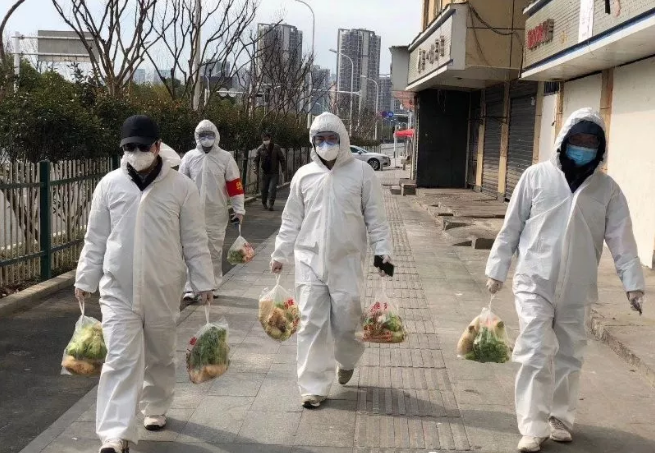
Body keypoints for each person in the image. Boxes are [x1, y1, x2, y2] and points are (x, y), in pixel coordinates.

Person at [484, 108, 645, 453]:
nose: (583, 146)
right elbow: (512, 226)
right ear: (565, 140)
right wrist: (497, 269)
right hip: (534, 281)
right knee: (534, 349)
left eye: (591, 141)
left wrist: (633, 283)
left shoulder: (607, 190)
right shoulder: (536, 177)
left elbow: (622, 239)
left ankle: (559, 418)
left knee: (570, 354)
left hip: (577, 286)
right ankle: (532, 425)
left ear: (600, 147)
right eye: (578, 139)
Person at [74, 115, 215, 453]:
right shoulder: (109, 185)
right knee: (119, 360)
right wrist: (85, 278)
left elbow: (195, 239)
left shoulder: (181, 187)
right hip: (117, 290)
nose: (135, 153)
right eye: (129, 147)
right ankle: (115, 433)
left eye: (141, 147)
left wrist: (203, 281)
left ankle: (155, 406)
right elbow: (96, 238)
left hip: (163, 287)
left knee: (160, 355)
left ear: (157, 146)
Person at [270, 113, 393, 408]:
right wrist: (280, 253)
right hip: (309, 260)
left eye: (331, 138)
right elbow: (291, 219)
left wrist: (383, 254)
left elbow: (376, 217)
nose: (326, 144)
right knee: (311, 324)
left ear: (343, 139)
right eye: (320, 139)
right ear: (313, 142)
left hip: (347, 260)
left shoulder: (362, 173)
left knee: (348, 323)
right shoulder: (304, 176)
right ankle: (313, 387)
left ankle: (346, 360)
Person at [179, 120, 246, 300]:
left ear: (216, 136)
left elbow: (235, 185)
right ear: (197, 137)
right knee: (190, 250)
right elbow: (179, 184)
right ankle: (190, 288)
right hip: (191, 212)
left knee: (214, 251)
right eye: (203, 135)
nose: (206, 139)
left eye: (210, 135)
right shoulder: (189, 158)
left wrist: (239, 210)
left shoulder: (225, 158)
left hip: (216, 213)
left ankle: (211, 285)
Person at [254, 131, 286, 211]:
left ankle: (271, 204)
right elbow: (256, 160)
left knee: (272, 189)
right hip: (264, 173)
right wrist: (255, 168)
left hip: (274, 173)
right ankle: (264, 202)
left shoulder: (276, 147)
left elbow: (282, 159)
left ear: (270, 138)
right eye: (264, 139)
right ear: (262, 139)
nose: (265, 141)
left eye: (267, 139)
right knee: (264, 189)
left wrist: (283, 169)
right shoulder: (260, 149)